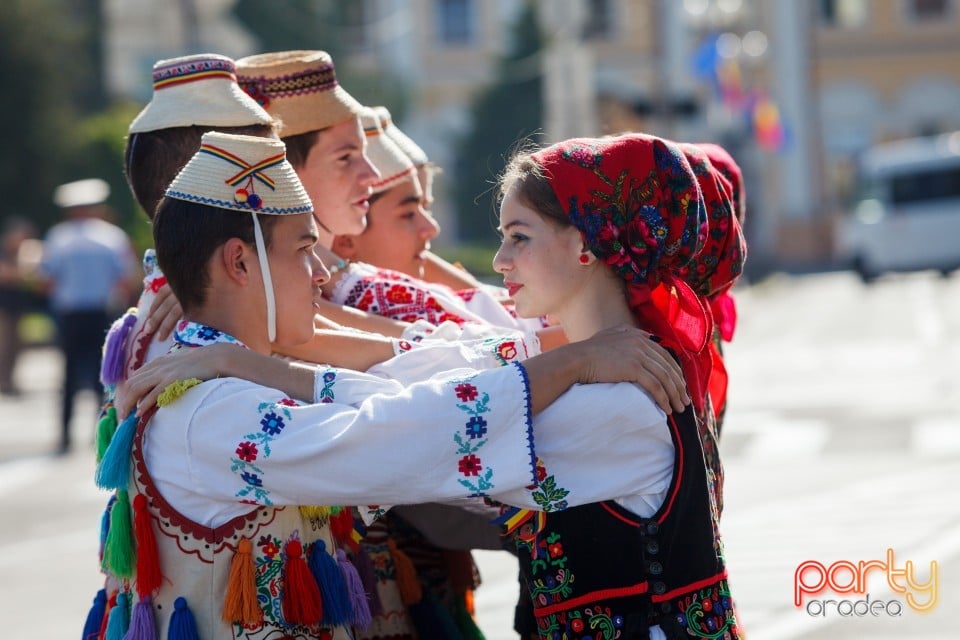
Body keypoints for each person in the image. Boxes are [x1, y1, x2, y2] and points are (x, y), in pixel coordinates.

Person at [89, 132, 684, 640]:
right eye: (303, 249)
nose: (325, 273)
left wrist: (571, 357)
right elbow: (385, 435)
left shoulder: (219, 379)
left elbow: (389, 403)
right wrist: (571, 362)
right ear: (240, 264)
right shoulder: (212, 410)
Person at [489, 133, 744, 639]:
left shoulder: (623, 399)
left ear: (585, 242)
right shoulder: (634, 365)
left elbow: (451, 450)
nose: (499, 259)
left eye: (519, 237)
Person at [39, 178, 137, 453]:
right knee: (103, 374)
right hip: (101, 313)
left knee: (68, 375)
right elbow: (126, 279)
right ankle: (99, 431)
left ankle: (64, 436)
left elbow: (46, 280)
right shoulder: (112, 236)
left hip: (70, 314)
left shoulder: (58, 237)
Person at [0, 217, 43, 395]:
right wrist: (24, 273)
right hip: (3, 307)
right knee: (5, 346)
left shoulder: (21, 254)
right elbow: (6, 275)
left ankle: (9, 380)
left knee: (16, 346)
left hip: (16, 306)